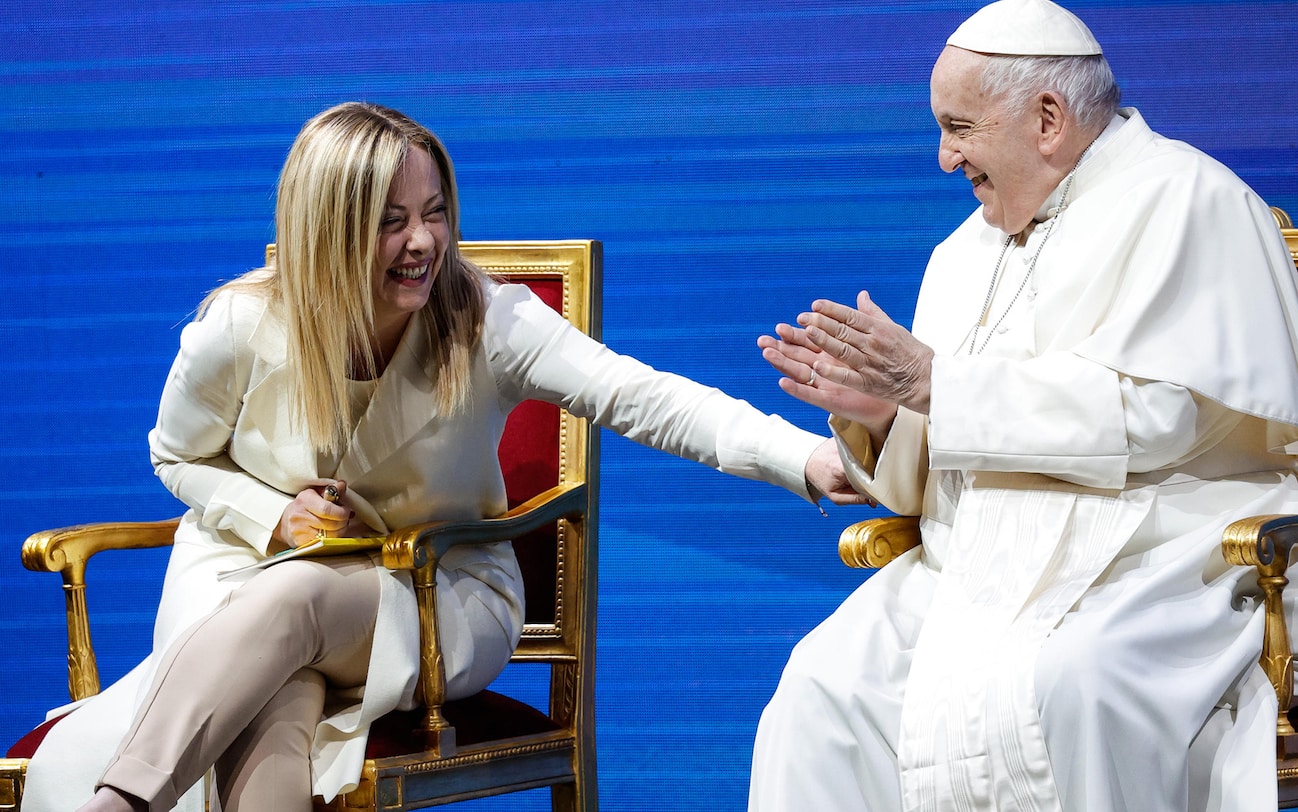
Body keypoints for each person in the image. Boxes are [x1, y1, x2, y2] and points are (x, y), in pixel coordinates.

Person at [20, 101, 867, 812]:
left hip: (437, 598)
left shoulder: (488, 322)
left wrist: (801, 459)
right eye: (391, 221)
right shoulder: (239, 326)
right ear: (328, 227)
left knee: (299, 600)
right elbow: (177, 459)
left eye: (435, 211)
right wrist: (273, 515)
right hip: (240, 578)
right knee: (271, 703)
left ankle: (119, 801)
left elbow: (643, 398)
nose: (424, 241)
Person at [750, 1, 1298, 810]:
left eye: (959, 127)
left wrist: (937, 387)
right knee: (822, 685)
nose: (944, 158)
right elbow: (929, 484)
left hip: (1156, 557)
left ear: (1047, 118)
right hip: (973, 570)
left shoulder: (1190, 201)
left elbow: (1161, 421)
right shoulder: (962, 251)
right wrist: (883, 419)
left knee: (1073, 683)